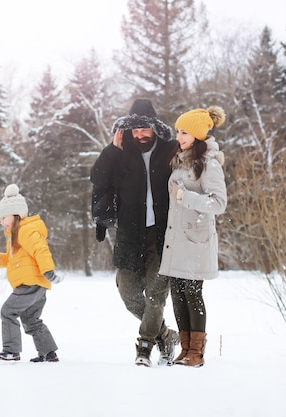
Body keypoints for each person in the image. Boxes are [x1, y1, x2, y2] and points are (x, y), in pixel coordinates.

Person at [90, 99, 179, 367]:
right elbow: (98, 179)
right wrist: (112, 150)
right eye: (135, 130)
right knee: (128, 293)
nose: (140, 135)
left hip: (164, 234)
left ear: (154, 128)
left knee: (156, 294)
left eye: (145, 129)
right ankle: (166, 335)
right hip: (130, 234)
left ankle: (144, 346)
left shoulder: (169, 150)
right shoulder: (120, 153)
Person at [158, 106, 227, 367]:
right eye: (178, 131)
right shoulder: (180, 160)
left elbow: (219, 203)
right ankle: (185, 350)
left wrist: (184, 196)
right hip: (177, 239)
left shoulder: (208, 164)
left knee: (192, 292)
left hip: (196, 240)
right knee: (177, 292)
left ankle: (196, 352)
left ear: (197, 134)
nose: (179, 136)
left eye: (184, 132)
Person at [0, 184, 63, 362]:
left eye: (4, 217)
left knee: (7, 311)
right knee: (31, 319)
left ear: (15, 214)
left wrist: (48, 270)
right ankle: (48, 353)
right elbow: (11, 259)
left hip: (30, 284)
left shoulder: (25, 230)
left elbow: (41, 250)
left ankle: (11, 351)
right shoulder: (16, 235)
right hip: (36, 285)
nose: (1, 222)